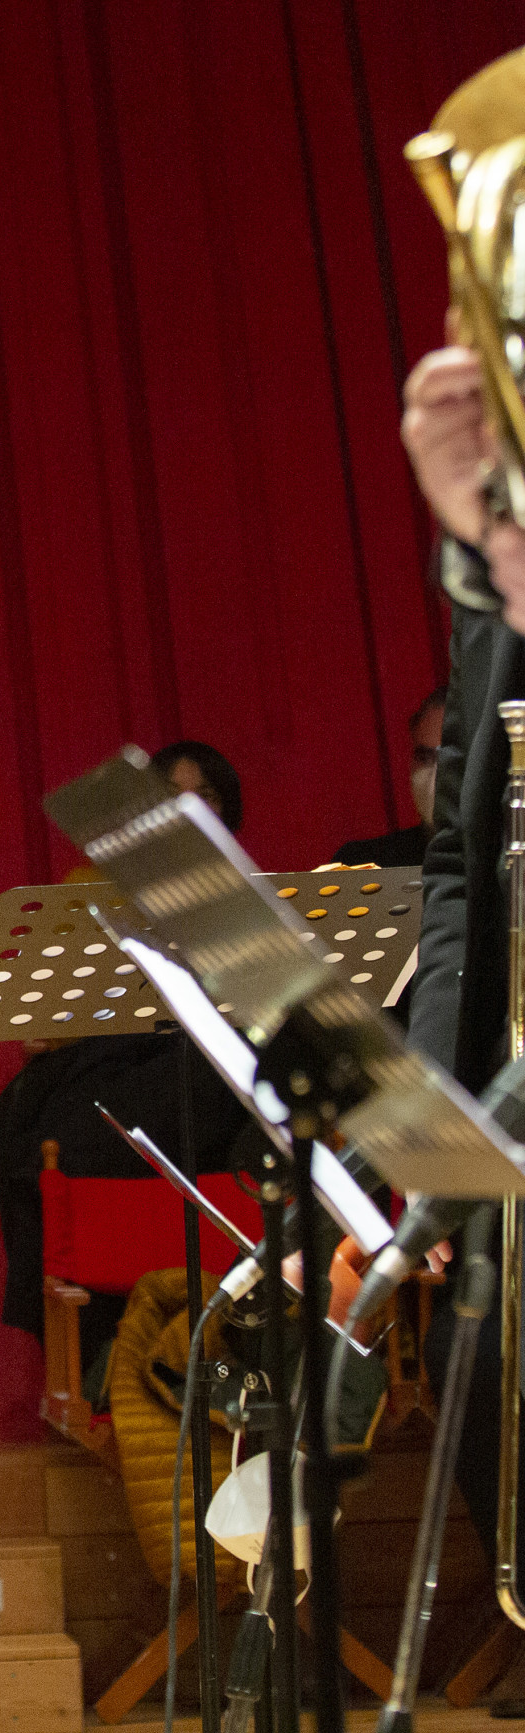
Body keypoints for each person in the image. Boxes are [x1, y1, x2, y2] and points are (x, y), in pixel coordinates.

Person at [399, 329, 525, 1593]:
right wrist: (429, 1122)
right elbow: (455, 864)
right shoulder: (482, 585)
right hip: (508, 1083)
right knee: (479, 1363)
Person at [333, 688, 445, 869]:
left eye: (451, 761)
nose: (435, 777)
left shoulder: (505, 870)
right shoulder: (362, 866)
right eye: (424, 758)